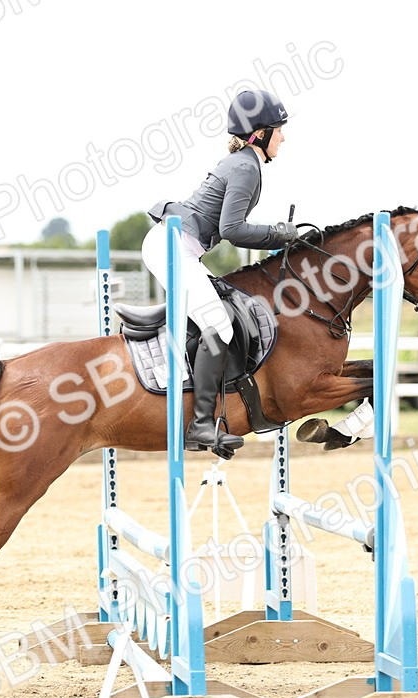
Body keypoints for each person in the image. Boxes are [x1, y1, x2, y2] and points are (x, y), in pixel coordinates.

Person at [144, 89, 295, 456]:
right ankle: (199, 426)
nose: (284, 136)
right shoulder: (246, 167)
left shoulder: (243, 163)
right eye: (279, 129)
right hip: (172, 247)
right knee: (219, 325)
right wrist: (280, 234)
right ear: (259, 133)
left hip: (177, 245)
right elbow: (231, 230)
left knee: (217, 316)